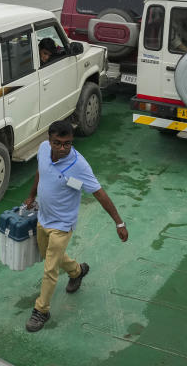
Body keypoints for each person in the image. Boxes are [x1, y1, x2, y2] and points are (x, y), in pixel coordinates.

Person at [22, 120, 128, 332]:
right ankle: (77, 271)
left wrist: (119, 222)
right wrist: (32, 195)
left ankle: (41, 310)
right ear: (49, 140)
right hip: (43, 217)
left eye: (67, 143)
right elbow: (41, 172)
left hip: (62, 224)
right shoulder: (43, 150)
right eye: (58, 143)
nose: (62, 148)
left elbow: (100, 194)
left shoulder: (79, 165)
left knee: (50, 268)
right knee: (50, 255)